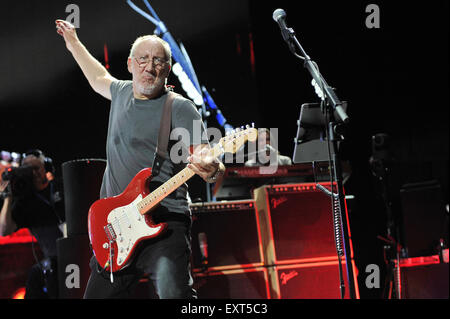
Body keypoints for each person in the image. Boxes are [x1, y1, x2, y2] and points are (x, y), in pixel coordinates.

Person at [55, 20, 225, 299]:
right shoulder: (120, 92)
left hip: (165, 224)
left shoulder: (181, 108)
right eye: (143, 60)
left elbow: (204, 156)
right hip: (117, 228)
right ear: (131, 64)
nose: (150, 67)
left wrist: (211, 166)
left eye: (159, 61)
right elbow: (97, 76)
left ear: (168, 69)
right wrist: (73, 42)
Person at [0, 150, 65, 299]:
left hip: (77, 251)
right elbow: (3, 230)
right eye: (29, 170)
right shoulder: (25, 203)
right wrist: (7, 198)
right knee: (36, 276)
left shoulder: (61, 187)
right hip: (54, 263)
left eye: (37, 168)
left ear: (46, 167)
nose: (34, 173)